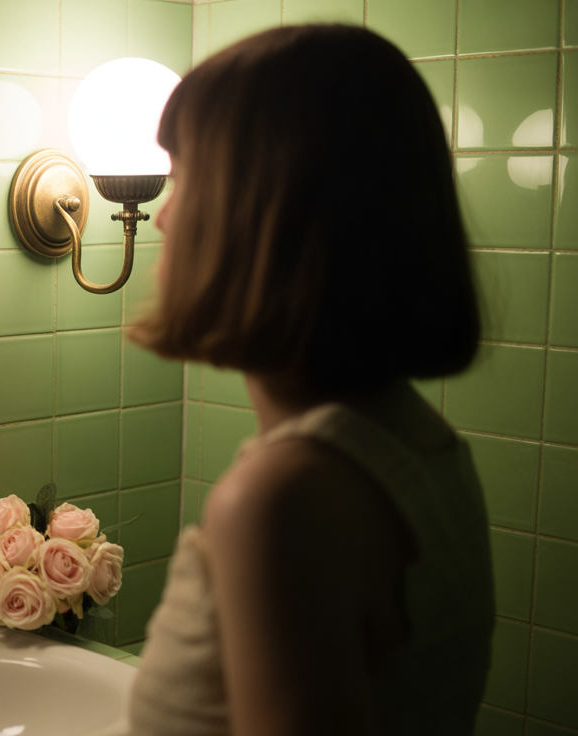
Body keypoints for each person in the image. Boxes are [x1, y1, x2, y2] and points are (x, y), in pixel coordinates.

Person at [126, 25, 493, 736]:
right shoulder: (418, 443)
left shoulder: (283, 498)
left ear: (262, 215)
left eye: (181, 175)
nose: (165, 216)